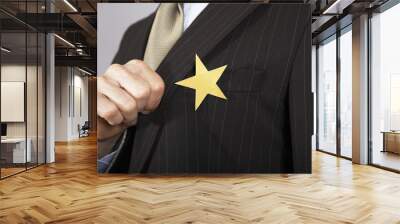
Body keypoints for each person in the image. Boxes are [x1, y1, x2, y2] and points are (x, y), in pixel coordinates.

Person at [97, 3, 312, 173]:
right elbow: (130, 148)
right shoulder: (134, 33)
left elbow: (303, 155)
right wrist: (105, 142)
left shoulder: (291, 20)